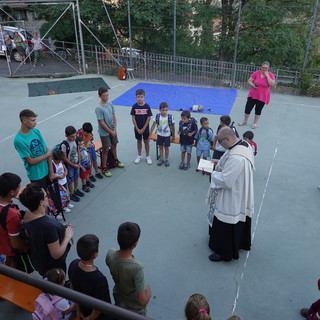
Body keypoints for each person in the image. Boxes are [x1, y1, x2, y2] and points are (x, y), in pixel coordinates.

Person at [208, 127, 255, 262]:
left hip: (232, 194)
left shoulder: (237, 158)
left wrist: (213, 173)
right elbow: (229, 159)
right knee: (238, 220)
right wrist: (220, 162)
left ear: (228, 139)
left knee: (226, 221)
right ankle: (240, 243)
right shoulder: (244, 145)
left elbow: (226, 180)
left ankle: (224, 252)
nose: (219, 144)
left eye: (220, 142)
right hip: (242, 189)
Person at [19, 183, 74, 276]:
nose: (48, 197)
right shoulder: (47, 226)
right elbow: (56, 254)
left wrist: (59, 226)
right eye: (46, 196)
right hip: (52, 267)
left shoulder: (28, 214)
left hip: (39, 259)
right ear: (41, 202)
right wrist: (67, 237)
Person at [106, 222, 151, 315]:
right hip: (135, 308)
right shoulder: (137, 268)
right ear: (135, 244)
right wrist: (148, 291)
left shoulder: (110, 254)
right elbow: (142, 300)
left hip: (119, 300)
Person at [68, 234, 112, 320]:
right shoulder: (99, 279)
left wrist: (77, 309)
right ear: (94, 255)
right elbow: (100, 305)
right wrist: (89, 318)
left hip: (83, 309)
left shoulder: (73, 264)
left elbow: (73, 289)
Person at [14, 109, 53, 190]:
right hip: (37, 176)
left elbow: (46, 150)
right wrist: (47, 155)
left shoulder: (36, 132)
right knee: (41, 199)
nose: (35, 123)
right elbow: (31, 161)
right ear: (24, 121)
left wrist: (51, 171)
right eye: (33, 120)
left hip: (47, 171)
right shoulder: (19, 140)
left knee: (51, 196)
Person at [0, 173, 29, 269]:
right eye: (18, 188)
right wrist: (29, 247)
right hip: (12, 250)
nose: (19, 189)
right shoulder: (12, 215)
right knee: (16, 268)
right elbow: (16, 244)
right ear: (11, 192)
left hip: (3, 245)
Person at [95, 87, 125, 178]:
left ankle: (116, 160)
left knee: (114, 145)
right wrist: (110, 131)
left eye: (107, 95)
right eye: (104, 96)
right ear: (100, 96)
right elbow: (101, 122)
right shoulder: (98, 108)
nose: (106, 97)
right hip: (104, 132)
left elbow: (114, 117)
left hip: (112, 130)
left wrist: (115, 129)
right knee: (106, 149)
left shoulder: (110, 105)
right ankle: (104, 167)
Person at [238, 61, 276, 129]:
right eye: (263, 67)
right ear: (261, 67)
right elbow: (249, 80)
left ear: (268, 68)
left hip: (263, 96)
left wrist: (267, 75)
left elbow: (272, 84)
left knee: (258, 110)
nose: (264, 69)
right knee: (248, 108)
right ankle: (245, 120)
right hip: (253, 94)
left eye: (266, 68)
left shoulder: (270, 75)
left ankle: (255, 123)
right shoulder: (256, 73)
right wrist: (253, 85)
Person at [61, 126, 84, 202]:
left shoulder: (75, 141)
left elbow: (78, 150)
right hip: (70, 165)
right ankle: (71, 193)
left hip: (76, 163)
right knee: (70, 179)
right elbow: (64, 158)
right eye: (72, 137)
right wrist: (73, 165)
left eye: (75, 136)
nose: (74, 138)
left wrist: (79, 162)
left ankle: (76, 189)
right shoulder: (64, 144)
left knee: (76, 176)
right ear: (66, 136)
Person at [149, 102, 175, 167]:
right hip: (159, 135)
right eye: (163, 110)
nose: (164, 112)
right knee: (160, 147)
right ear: (160, 110)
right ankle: (161, 159)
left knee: (166, 148)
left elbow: (172, 127)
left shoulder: (170, 117)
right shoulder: (157, 116)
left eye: (166, 110)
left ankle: (166, 159)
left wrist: (173, 136)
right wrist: (150, 134)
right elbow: (153, 125)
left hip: (167, 136)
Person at [130, 89, 153, 165]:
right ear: (136, 97)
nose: (140, 98)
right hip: (137, 128)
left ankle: (148, 156)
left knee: (146, 141)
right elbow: (133, 118)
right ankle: (139, 155)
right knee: (139, 141)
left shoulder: (147, 106)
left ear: (144, 97)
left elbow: (148, 118)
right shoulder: (134, 106)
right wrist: (137, 128)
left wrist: (144, 128)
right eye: (138, 97)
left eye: (141, 97)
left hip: (145, 128)